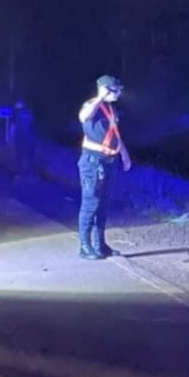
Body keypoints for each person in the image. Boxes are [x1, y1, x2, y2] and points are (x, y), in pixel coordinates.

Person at [76, 75, 132, 260]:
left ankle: (101, 245)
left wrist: (124, 155)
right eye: (115, 90)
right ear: (105, 89)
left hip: (109, 162)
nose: (119, 93)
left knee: (103, 205)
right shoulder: (92, 105)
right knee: (90, 204)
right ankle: (85, 246)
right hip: (93, 163)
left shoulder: (110, 109)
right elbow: (83, 117)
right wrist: (101, 97)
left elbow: (115, 135)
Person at [11, 99, 37, 179]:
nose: (16, 105)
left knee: (19, 155)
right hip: (29, 136)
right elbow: (32, 125)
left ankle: (20, 173)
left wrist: (10, 136)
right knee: (29, 155)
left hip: (20, 137)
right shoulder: (29, 112)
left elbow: (13, 126)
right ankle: (29, 172)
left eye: (17, 104)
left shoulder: (17, 113)